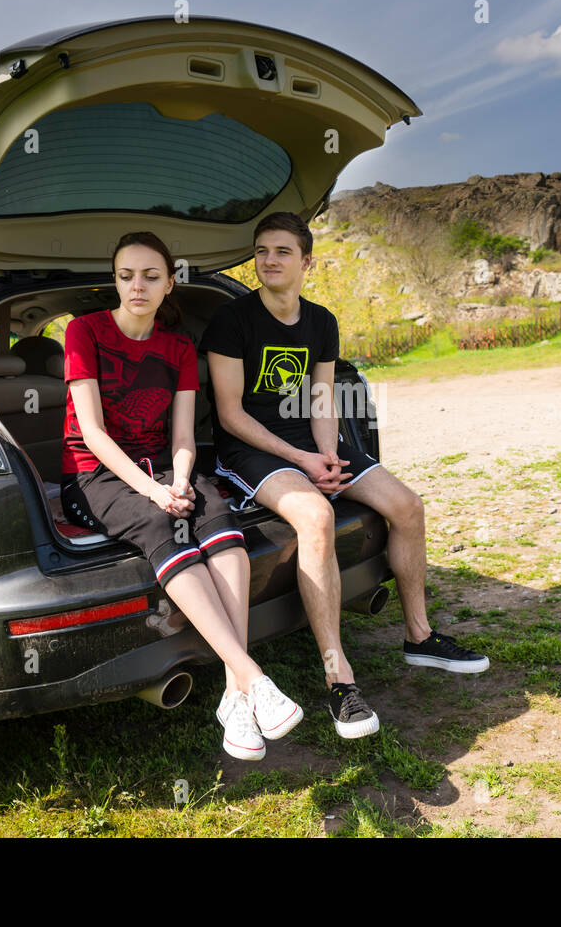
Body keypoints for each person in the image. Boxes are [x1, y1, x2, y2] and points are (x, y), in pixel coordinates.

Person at [201, 212, 488, 740]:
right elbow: (230, 413)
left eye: (283, 251)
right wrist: (303, 462)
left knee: (407, 505)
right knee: (316, 516)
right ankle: (339, 678)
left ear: (307, 261)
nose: (270, 260)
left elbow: (320, 397)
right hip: (249, 449)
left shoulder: (321, 321)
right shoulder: (231, 320)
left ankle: (419, 637)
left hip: (313, 444)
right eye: (262, 251)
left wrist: (329, 456)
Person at [60, 230, 302, 761]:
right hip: (93, 474)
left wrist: (180, 479)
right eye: (126, 277)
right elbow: (94, 435)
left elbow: (185, 437)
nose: (137, 287)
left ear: (170, 284)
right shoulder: (84, 332)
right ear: (116, 281)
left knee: (220, 523)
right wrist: (154, 492)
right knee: (159, 526)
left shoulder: (178, 348)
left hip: (165, 468)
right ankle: (251, 677)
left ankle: (234, 697)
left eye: (150, 276)